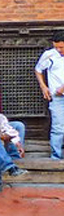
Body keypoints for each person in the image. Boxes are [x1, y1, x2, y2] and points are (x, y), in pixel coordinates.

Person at [35, 32, 64, 161]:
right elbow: (38, 69)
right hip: (57, 97)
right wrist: (43, 86)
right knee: (58, 128)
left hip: (60, 91)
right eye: (56, 47)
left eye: (62, 47)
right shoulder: (50, 55)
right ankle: (56, 157)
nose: (59, 50)